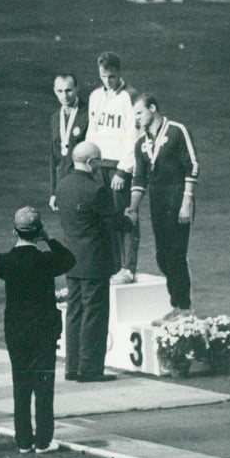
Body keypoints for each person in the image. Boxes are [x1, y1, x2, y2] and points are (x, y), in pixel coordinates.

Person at [0, 207, 75, 454]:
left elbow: (6, 265)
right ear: (38, 231)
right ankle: (43, 440)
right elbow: (69, 259)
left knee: (20, 385)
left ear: (14, 231)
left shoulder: (5, 261)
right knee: (43, 387)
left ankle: (23, 440)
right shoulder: (45, 260)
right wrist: (49, 238)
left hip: (16, 331)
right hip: (43, 330)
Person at [55, 142, 134, 382]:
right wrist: (129, 219)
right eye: (98, 161)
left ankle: (73, 367)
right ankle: (90, 370)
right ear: (91, 163)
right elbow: (114, 221)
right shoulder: (96, 189)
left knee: (74, 312)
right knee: (94, 314)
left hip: (72, 259)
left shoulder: (63, 184)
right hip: (94, 261)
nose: (100, 165)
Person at [127, 94, 199, 326]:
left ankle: (184, 308)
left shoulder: (177, 131)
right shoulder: (141, 143)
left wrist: (187, 200)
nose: (136, 118)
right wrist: (133, 207)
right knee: (162, 256)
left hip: (178, 196)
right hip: (157, 200)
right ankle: (178, 305)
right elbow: (139, 178)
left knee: (176, 254)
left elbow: (192, 165)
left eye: (139, 112)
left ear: (153, 108)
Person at [85, 52, 140, 285]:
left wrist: (123, 169)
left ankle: (128, 268)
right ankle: (113, 266)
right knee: (105, 217)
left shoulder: (130, 97)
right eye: (103, 76)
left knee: (124, 216)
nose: (107, 81)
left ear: (120, 72)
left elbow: (134, 137)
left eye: (112, 76)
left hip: (118, 167)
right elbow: (92, 132)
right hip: (99, 166)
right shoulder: (96, 96)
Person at [49, 73, 89, 212]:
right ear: (55, 91)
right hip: (64, 184)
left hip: (82, 183)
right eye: (60, 91)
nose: (64, 96)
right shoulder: (55, 118)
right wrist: (54, 192)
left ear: (77, 88)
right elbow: (54, 158)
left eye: (68, 90)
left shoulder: (88, 113)